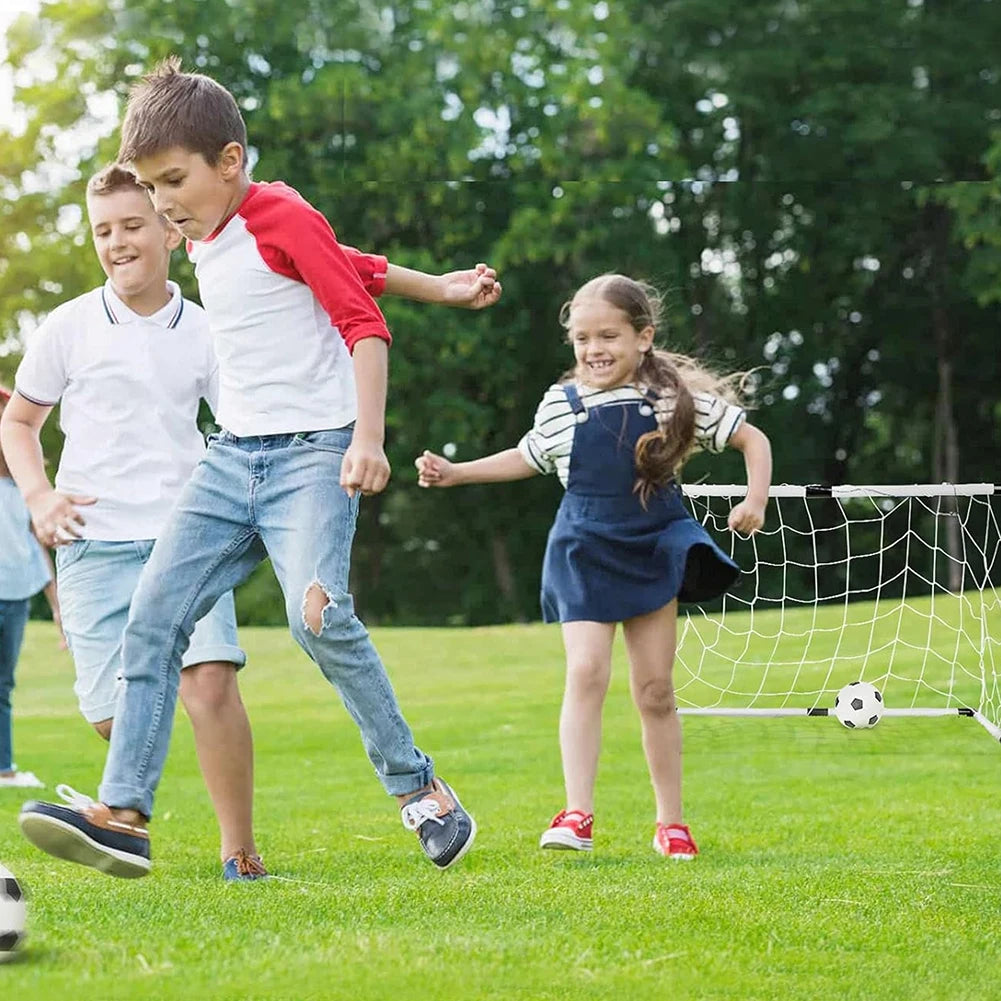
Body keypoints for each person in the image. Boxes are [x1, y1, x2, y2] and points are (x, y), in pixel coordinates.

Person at [14, 58, 483, 878]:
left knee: (317, 617)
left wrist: (365, 439)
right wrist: (439, 287)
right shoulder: (209, 231)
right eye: (150, 190)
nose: (161, 207)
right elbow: (352, 259)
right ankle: (123, 815)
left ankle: (422, 791)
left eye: (172, 183)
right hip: (231, 460)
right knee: (153, 618)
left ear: (229, 162)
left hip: (312, 456)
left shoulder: (276, 211)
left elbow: (361, 319)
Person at [415, 274, 772, 859]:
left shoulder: (673, 400)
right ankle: (577, 813)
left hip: (653, 544)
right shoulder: (562, 405)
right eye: (582, 339)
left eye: (608, 335)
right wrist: (457, 472)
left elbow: (752, 439)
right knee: (586, 673)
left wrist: (754, 501)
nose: (593, 349)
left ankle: (671, 822)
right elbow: (527, 456)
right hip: (583, 548)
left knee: (655, 691)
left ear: (644, 337)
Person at [0, 384, 60, 791]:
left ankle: (3, 768)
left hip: (17, 594)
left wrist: (58, 607)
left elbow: (39, 544)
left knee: (3, 685)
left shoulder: (23, 487)